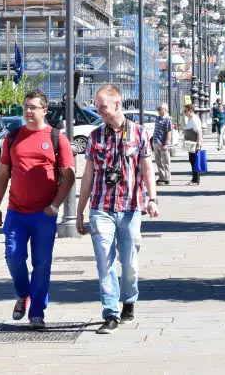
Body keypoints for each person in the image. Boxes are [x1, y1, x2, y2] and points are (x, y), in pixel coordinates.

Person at [76, 84, 159, 335]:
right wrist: (80, 210)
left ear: (117, 104)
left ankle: (129, 300)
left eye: (102, 106)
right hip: (101, 207)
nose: (98, 110)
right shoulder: (95, 137)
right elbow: (88, 175)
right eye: (97, 106)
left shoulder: (138, 133)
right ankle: (110, 313)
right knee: (104, 260)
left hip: (130, 207)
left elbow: (147, 169)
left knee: (130, 263)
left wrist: (152, 200)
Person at [0, 89, 75, 329]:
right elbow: (3, 174)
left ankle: (37, 311)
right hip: (16, 211)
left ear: (44, 110)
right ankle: (22, 293)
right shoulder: (13, 137)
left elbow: (68, 177)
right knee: (13, 257)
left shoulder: (58, 138)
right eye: (26, 106)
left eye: (33, 107)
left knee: (41, 264)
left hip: (44, 214)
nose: (28, 111)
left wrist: (55, 206)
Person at [152, 103, 172, 185]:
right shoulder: (157, 118)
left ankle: (167, 178)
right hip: (156, 142)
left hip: (163, 143)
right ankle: (161, 177)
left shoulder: (168, 119)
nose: (158, 110)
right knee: (158, 161)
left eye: (160, 109)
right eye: (158, 109)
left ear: (165, 110)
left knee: (166, 161)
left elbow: (169, 132)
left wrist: (166, 143)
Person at [182, 103, 203, 185]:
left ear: (190, 111)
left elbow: (199, 132)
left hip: (194, 143)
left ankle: (196, 180)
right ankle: (194, 179)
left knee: (194, 161)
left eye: (185, 111)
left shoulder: (194, 119)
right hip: (191, 143)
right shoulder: (190, 119)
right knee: (192, 160)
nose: (184, 112)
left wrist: (198, 144)